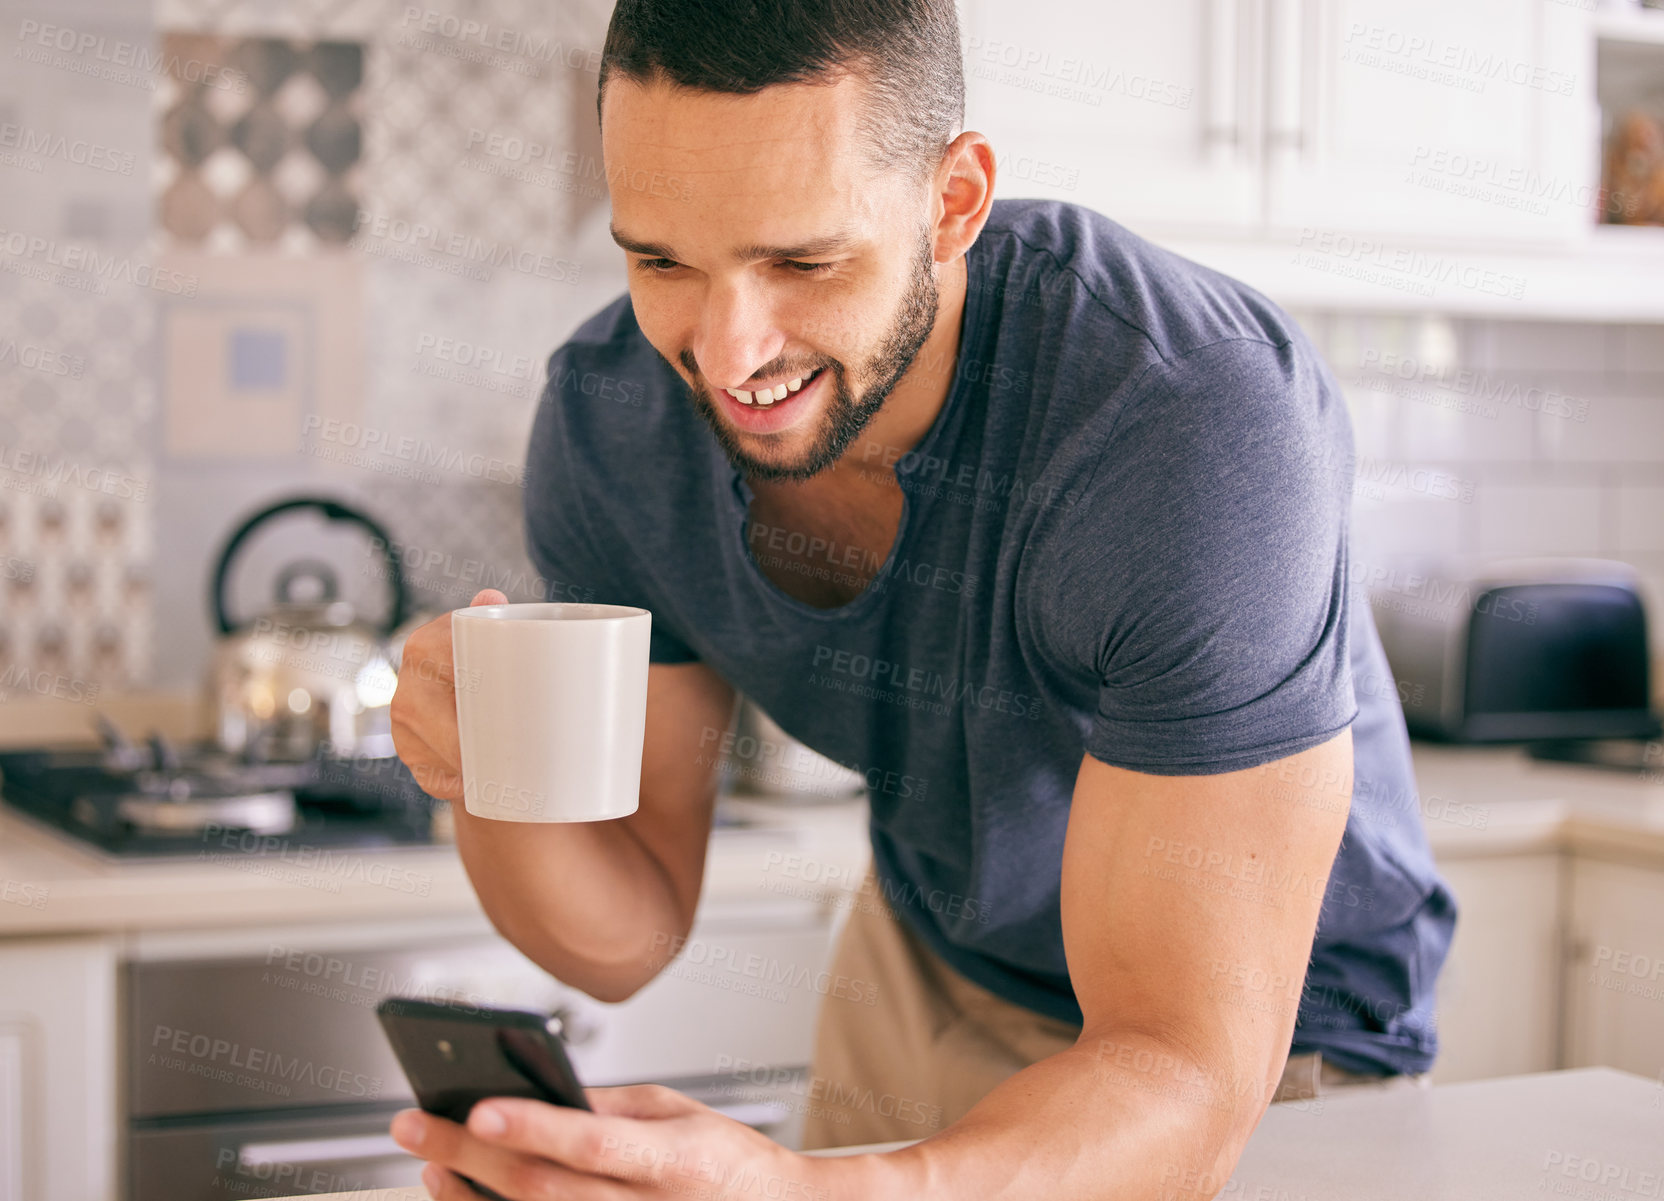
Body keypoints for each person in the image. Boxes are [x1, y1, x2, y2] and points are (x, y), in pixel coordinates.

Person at [387, 1, 1457, 1197]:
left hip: (1264, 1039)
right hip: (930, 955)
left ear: (952, 203)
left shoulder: (1183, 420)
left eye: (801, 261)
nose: (728, 353)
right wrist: (485, 773)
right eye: (660, 260)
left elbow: (1176, 1059)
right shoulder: (611, 423)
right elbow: (627, 925)